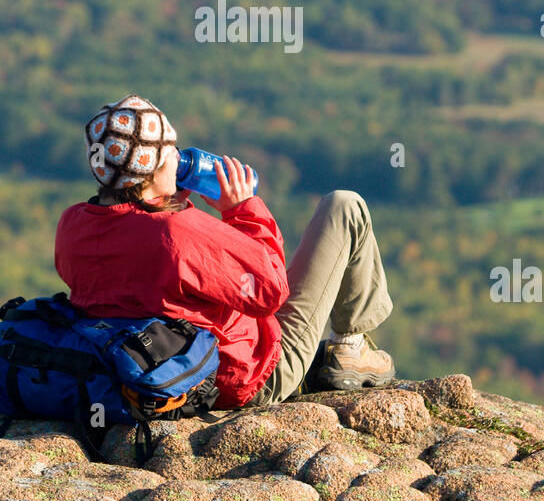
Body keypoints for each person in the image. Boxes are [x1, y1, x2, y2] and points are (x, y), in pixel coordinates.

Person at [54, 94, 395, 409]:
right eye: (170, 149)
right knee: (344, 206)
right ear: (153, 169)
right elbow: (270, 291)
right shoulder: (177, 232)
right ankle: (349, 347)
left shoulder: (73, 224)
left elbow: (134, 271)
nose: (178, 155)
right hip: (243, 378)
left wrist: (161, 205)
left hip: (162, 374)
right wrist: (242, 210)